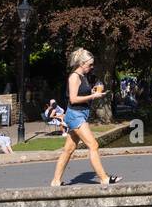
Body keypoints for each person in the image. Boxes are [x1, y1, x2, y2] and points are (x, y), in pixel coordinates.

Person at [51, 48, 122, 186]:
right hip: (75, 115)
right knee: (93, 145)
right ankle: (104, 178)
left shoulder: (83, 77)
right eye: (90, 65)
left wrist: (92, 91)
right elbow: (73, 99)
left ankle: (55, 181)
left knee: (69, 149)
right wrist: (92, 96)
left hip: (81, 114)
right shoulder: (74, 77)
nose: (91, 67)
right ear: (82, 63)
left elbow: (82, 94)